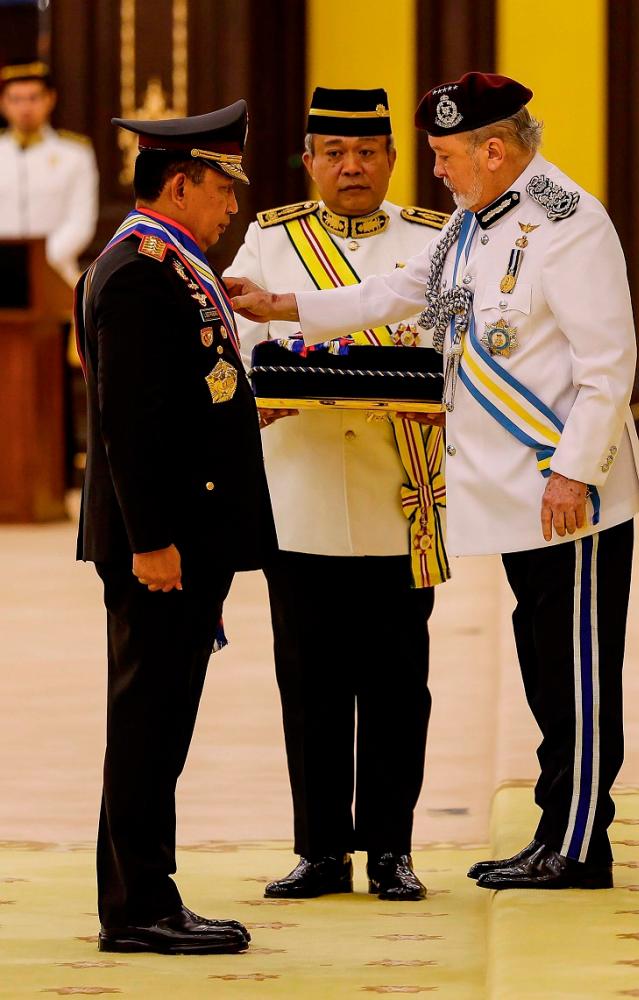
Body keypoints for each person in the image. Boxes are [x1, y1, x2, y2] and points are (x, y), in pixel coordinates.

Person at [228, 71, 639, 891]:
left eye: (446, 155)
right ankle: (552, 832)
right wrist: (281, 305)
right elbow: (401, 290)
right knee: (544, 672)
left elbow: (609, 367)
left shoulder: (568, 221)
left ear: (494, 150)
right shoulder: (471, 221)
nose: (437, 171)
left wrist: (572, 474)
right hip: (519, 497)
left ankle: (576, 846)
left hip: (566, 493)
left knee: (577, 676)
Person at [225, 87, 450, 902]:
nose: (351, 168)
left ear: (390, 159)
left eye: (367, 153)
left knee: (398, 682)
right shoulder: (268, 237)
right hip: (303, 488)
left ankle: (391, 848)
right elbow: (244, 332)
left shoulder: (434, 239)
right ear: (310, 161)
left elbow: (449, 339)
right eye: (334, 154)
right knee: (308, 679)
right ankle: (320, 850)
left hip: (401, 491)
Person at [75, 101, 277, 954]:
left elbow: (183, 396)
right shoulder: (137, 273)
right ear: (184, 181)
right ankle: (138, 907)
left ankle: (139, 894)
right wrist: (154, 540)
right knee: (149, 722)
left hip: (185, 535)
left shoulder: (172, 266)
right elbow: (127, 423)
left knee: (159, 719)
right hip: (161, 545)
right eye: (225, 186)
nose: (233, 205)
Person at [0, 61, 98, 285]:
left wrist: (39, 260)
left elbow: (80, 221)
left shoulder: (75, 154)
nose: (25, 108)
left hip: (56, 272)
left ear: (50, 99)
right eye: (16, 99)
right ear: (3, 103)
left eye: (33, 98)